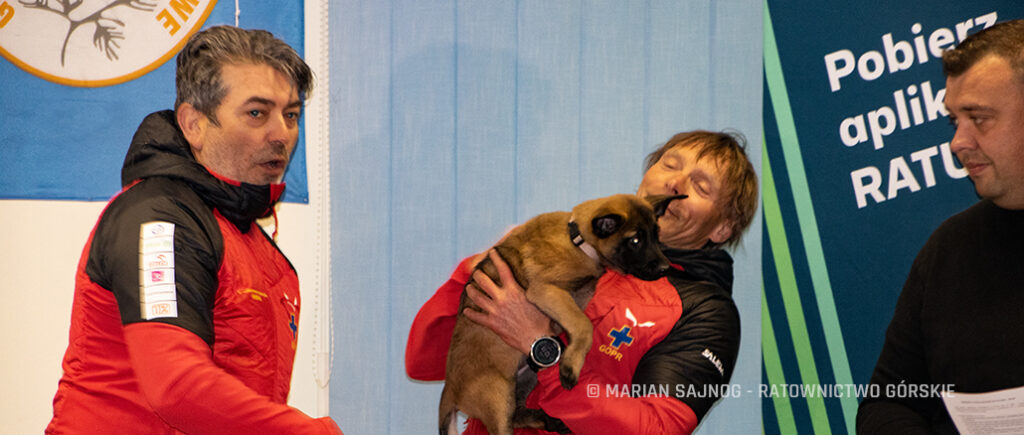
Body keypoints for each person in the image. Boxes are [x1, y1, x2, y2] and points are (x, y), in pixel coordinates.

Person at [46, 26, 342, 434]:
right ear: (193, 124)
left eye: (290, 115)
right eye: (257, 113)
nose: (281, 135)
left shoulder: (248, 237)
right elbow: (176, 386)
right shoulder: (159, 219)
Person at [406, 130, 758, 434]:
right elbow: (425, 361)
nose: (675, 183)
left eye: (700, 186)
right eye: (669, 164)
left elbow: (657, 428)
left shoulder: (706, 312)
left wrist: (542, 349)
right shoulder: (569, 249)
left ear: (722, 228)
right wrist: (477, 272)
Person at [857, 19, 1024, 434]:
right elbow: (887, 401)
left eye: (979, 118)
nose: (957, 142)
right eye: (954, 121)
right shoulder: (949, 249)